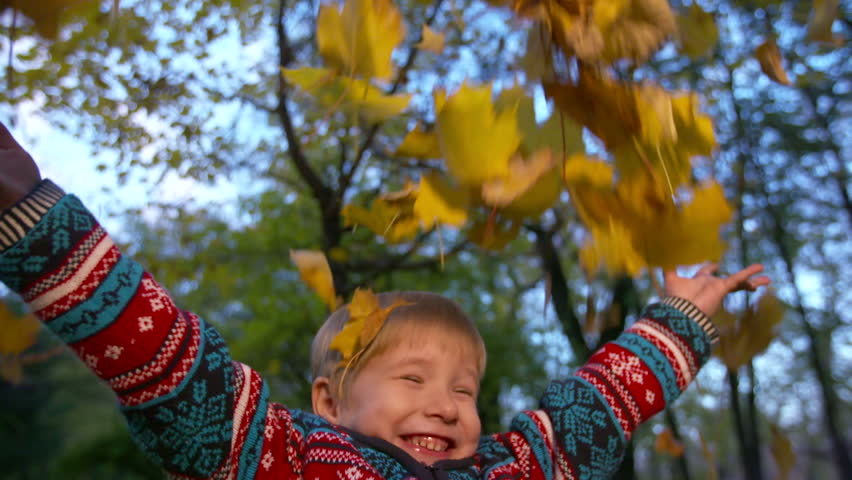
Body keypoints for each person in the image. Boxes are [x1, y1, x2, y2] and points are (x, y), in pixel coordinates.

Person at [0, 121, 770, 480]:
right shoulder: (292, 459)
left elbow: (594, 411)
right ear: (330, 401)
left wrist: (681, 321)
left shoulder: (507, 469)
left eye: (465, 391)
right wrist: (33, 217)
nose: (447, 406)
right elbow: (173, 372)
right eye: (414, 380)